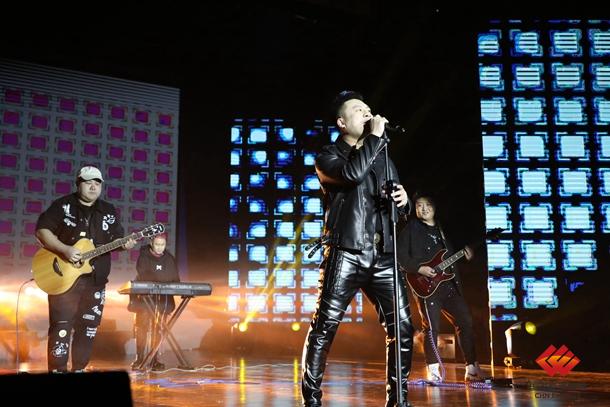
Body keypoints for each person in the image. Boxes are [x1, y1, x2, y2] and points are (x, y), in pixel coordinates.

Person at [301, 90, 414, 407]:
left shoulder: (383, 157)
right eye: (357, 109)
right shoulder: (328, 157)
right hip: (346, 252)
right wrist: (375, 137)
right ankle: (312, 400)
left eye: (367, 108)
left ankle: (399, 400)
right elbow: (352, 174)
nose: (366, 112)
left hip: (384, 256)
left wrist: (404, 203)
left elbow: (397, 211)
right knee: (324, 327)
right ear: (341, 122)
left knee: (403, 327)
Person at [35, 165, 136, 372]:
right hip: (64, 279)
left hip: (96, 281)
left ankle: (79, 369)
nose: (93, 187)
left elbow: (117, 239)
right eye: (88, 182)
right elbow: (42, 231)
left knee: (88, 327)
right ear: (78, 184)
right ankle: (57, 370)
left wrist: (125, 244)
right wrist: (65, 250)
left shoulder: (108, 210)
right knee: (61, 326)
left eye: (97, 183)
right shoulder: (63, 205)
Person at [397, 193, 484, 382]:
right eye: (419, 205)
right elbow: (399, 255)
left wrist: (467, 256)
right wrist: (419, 268)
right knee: (431, 329)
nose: (423, 208)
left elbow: (451, 258)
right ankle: (433, 370)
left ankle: (471, 368)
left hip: (450, 286)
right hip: (427, 288)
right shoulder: (411, 228)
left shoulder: (442, 230)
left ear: (434, 207)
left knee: (465, 322)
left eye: (427, 204)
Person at [128, 233, 180, 371]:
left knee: (159, 329)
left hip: (162, 299)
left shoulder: (169, 258)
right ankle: (140, 358)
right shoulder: (144, 256)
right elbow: (143, 274)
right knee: (142, 328)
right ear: (152, 243)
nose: (159, 247)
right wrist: (159, 278)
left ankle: (154, 359)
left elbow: (175, 278)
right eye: (157, 244)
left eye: (162, 245)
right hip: (145, 299)